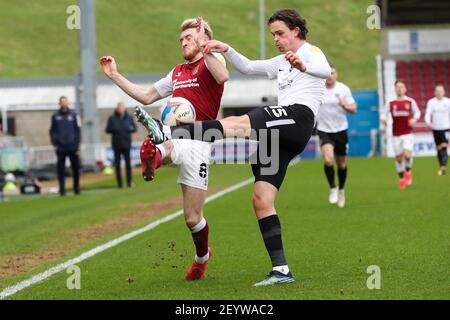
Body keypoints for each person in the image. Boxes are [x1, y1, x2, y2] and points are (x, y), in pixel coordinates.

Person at [137, 9, 331, 286]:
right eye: (273, 34)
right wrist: (225, 48)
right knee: (261, 200)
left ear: (296, 31)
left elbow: (324, 70)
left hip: (297, 118)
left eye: (280, 33)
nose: (276, 39)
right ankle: (281, 270)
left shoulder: (311, 52)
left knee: (236, 123)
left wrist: (302, 65)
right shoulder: (279, 61)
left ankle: (167, 131)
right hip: (280, 138)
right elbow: (249, 67)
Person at [100, 17, 229, 280]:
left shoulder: (211, 62)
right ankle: (155, 152)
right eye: (181, 39)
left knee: (193, 219)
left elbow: (223, 76)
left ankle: (202, 258)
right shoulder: (177, 72)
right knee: (170, 143)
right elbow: (147, 96)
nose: (183, 42)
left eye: (189, 38)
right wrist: (115, 75)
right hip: (175, 133)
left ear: (203, 38)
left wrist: (207, 47)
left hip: (200, 141)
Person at [316, 65, 356, 208]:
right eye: (327, 73)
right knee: (328, 160)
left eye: (332, 73)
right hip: (324, 130)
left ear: (336, 74)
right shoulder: (318, 89)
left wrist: (345, 105)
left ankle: (342, 190)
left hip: (340, 130)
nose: (330, 76)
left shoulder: (343, 89)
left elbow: (354, 109)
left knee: (341, 164)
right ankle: (333, 187)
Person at [381, 80, 420, 189]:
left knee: (407, 155)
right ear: (395, 89)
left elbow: (417, 112)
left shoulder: (410, 101)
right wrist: (383, 119)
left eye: (401, 87)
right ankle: (401, 178)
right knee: (399, 159)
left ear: (405, 89)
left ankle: (408, 172)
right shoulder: (391, 103)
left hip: (407, 133)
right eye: (397, 87)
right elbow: (383, 114)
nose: (399, 89)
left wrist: (414, 119)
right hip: (396, 134)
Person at [49, 96, 81, 196]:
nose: (64, 103)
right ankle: (62, 190)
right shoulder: (55, 116)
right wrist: (55, 144)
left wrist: (77, 144)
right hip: (61, 147)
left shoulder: (74, 115)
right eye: (62, 102)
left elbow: (78, 130)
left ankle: (76, 188)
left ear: (68, 103)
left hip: (72, 146)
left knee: (75, 168)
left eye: (65, 101)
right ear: (59, 103)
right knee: (61, 170)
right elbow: (52, 131)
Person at [106, 101, 137, 188]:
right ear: (117, 108)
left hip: (126, 144)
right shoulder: (112, 118)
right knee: (117, 165)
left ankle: (129, 182)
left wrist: (128, 129)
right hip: (117, 145)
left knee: (128, 165)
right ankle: (119, 184)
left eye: (122, 107)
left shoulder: (129, 118)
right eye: (120, 108)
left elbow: (134, 128)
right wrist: (115, 130)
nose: (121, 109)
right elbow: (108, 129)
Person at [425, 84, 450, 176]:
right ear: (435, 92)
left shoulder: (448, 102)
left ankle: (443, 166)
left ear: (443, 92)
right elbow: (427, 114)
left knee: (444, 146)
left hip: (446, 128)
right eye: (437, 91)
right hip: (436, 128)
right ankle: (442, 166)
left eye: (441, 91)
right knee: (439, 148)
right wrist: (428, 122)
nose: (439, 93)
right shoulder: (431, 102)